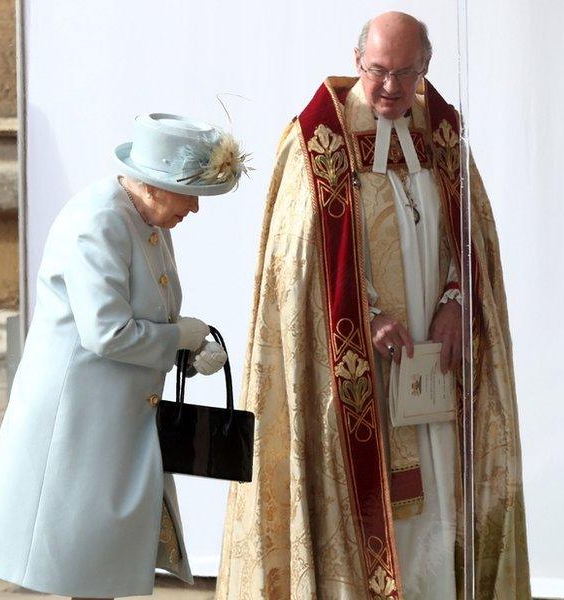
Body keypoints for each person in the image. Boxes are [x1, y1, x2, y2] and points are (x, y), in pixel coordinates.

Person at [216, 12, 530, 600]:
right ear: (357, 61)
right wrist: (366, 314)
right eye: (377, 71)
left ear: (425, 69)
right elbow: (298, 269)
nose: (390, 87)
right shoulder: (317, 143)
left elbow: (474, 237)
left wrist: (457, 299)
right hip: (353, 369)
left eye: (405, 74)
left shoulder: (440, 132)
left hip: (434, 367)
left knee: (439, 498)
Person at [0, 113, 243, 599]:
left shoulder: (147, 219)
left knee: (96, 572)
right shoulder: (100, 220)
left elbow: (144, 315)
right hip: (77, 424)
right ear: (158, 184)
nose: (196, 210)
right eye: (192, 194)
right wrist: (181, 335)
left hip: (112, 425)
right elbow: (107, 332)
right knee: (83, 569)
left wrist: (189, 349)